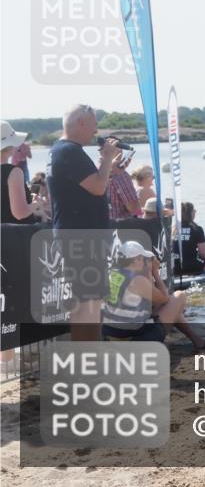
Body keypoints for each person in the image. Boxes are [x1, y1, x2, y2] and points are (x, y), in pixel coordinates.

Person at [46, 104, 120, 341]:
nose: (96, 131)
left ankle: (92, 353)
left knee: (92, 302)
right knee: (86, 303)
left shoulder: (63, 150)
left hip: (81, 235)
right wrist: (107, 158)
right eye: (94, 125)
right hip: (81, 237)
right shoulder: (69, 151)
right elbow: (98, 187)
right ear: (81, 123)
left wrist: (108, 166)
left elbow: (91, 184)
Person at [1, 121, 35, 224]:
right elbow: (19, 213)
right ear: (10, 146)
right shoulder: (14, 172)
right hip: (12, 231)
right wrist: (37, 204)